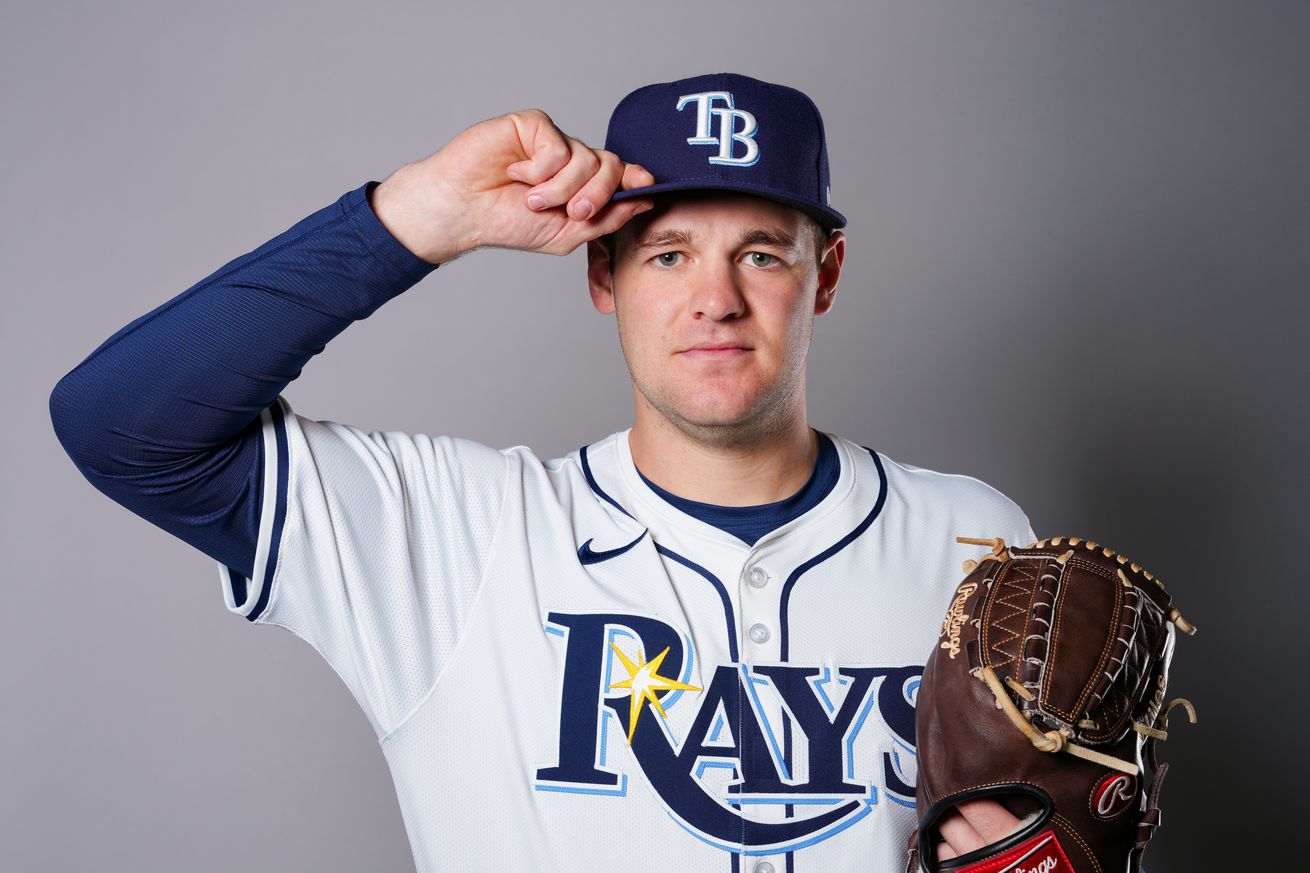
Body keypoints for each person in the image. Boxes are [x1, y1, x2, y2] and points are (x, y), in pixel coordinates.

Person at [50, 72, 1034, 872]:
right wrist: (414, 217)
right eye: (665, 255)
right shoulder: (451, 535)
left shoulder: (971, 543)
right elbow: (122, 424)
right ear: (602, 278)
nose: (715, 300)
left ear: (823, 277)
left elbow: (1074, 829)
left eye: (762, 254)